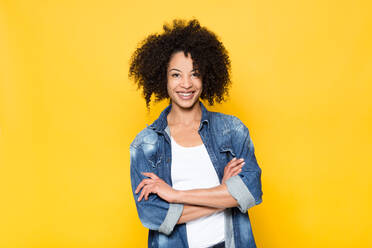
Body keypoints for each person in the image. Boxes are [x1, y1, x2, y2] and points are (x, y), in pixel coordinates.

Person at [128, 19, 263, 248]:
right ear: (163, 78)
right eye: (176, 75)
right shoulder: (145, 145)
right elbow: (154, 215)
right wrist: (225, 194)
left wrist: (175, 195)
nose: (186, 84)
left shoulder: (231, 130)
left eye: (195, 73)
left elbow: (250, 192)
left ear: (207, 76)